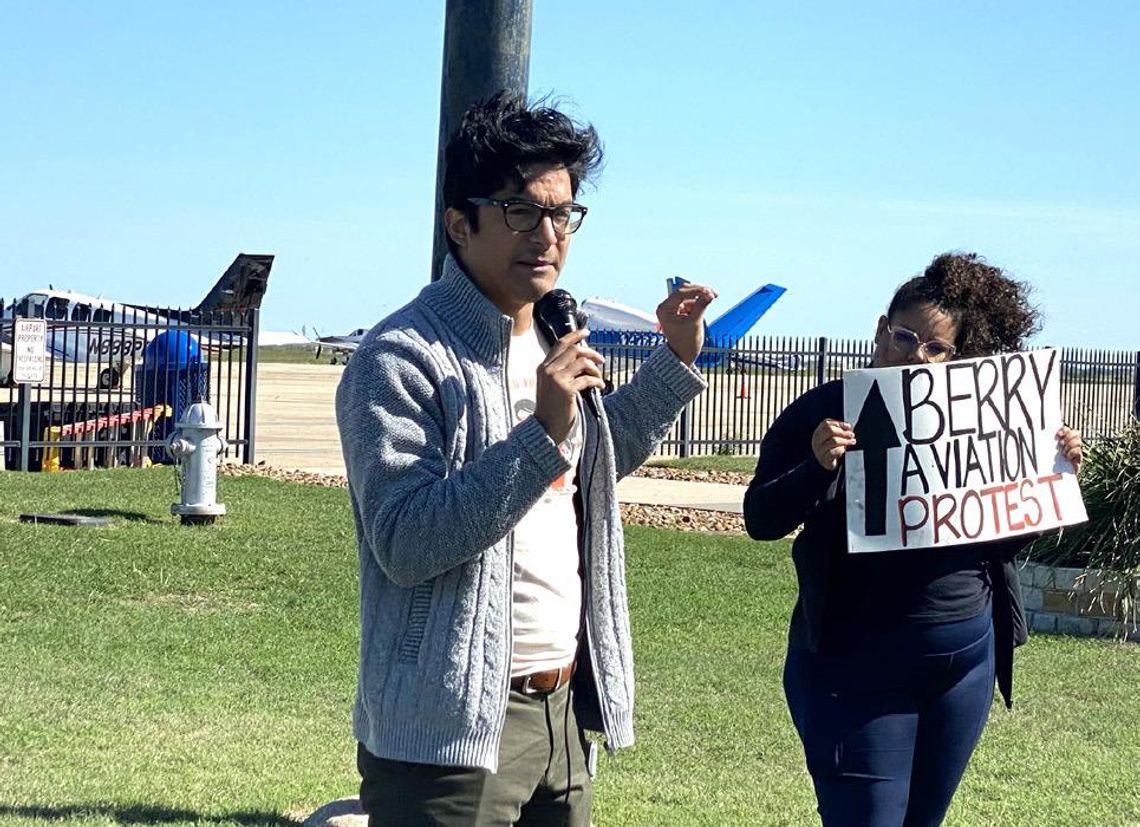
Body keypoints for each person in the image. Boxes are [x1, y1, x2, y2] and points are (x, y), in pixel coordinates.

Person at [336, 91, 716, 826]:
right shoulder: (400, 357)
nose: (546, 234)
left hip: (563, 714)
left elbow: (593, 463)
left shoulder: (551, 335)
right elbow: (407, 542)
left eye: (561, 213)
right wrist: (538, 433)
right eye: (519, 210)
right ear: (458, 222)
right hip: (447, 734)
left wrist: (674, 361)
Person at [743, 252, 1084, 827]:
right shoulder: (827, 411)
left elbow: (1004, 545)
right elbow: (761, 519)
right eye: (905, 338)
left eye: (937, 349)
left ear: (956, 357)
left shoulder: (971, 419)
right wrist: (816, 467)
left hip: (964, 665)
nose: (915, 357)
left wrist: (1051, 479)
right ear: (881, 330)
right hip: (855, 669)